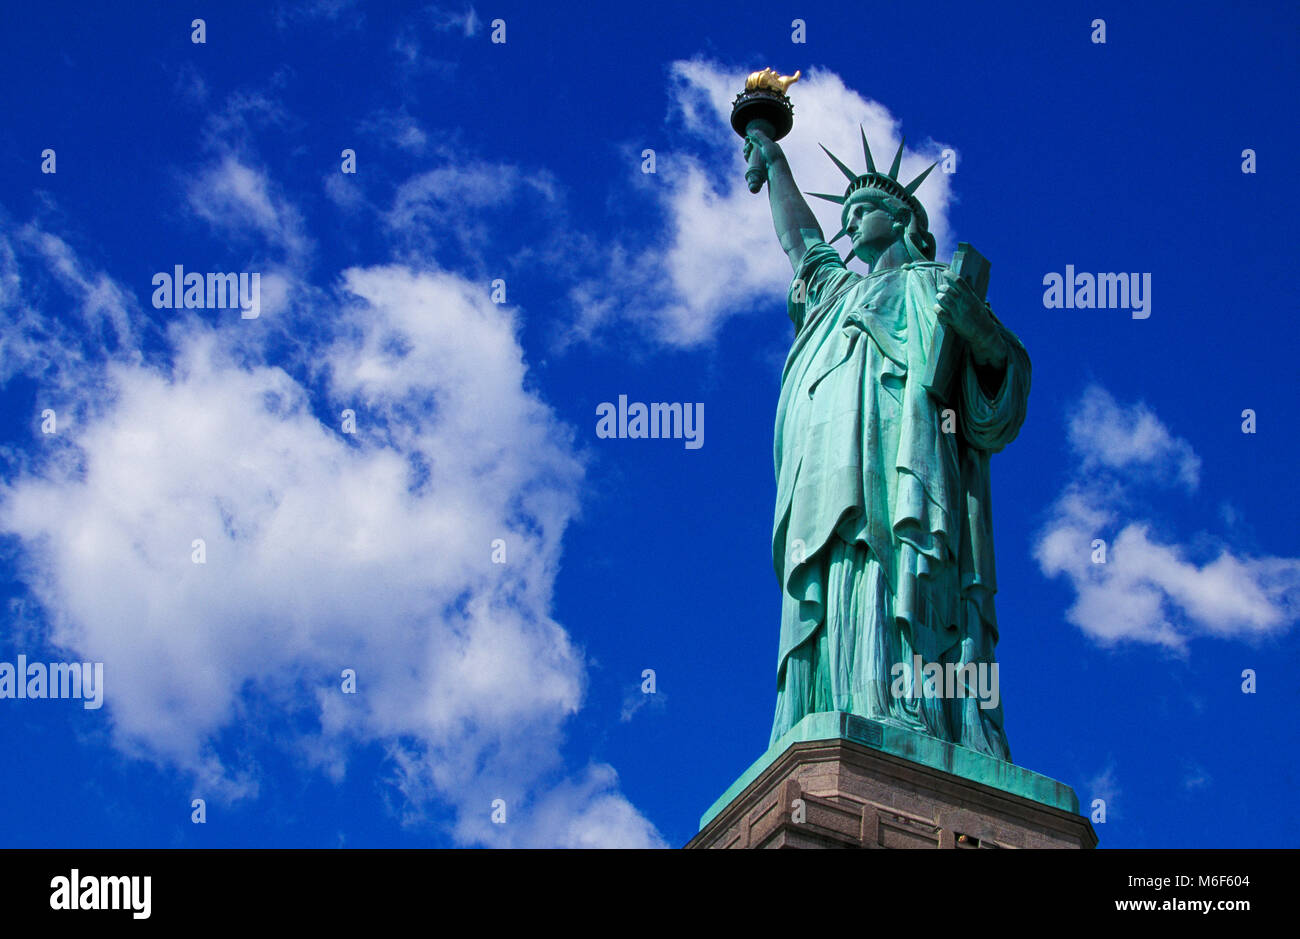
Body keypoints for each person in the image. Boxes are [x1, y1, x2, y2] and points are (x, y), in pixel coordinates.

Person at [744, 126, 1031, 760]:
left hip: (907, 469)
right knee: (842, 574)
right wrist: (776, 162)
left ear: (901, 219)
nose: (848, 222)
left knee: (900, 566)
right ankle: (837, 703)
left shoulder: (934, 286)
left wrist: (978, 331)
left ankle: (918, 714)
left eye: (862, 209)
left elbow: (1000, 391)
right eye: (844, 213)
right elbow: (802, 244)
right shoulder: (836, 295)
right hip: (827, 480)